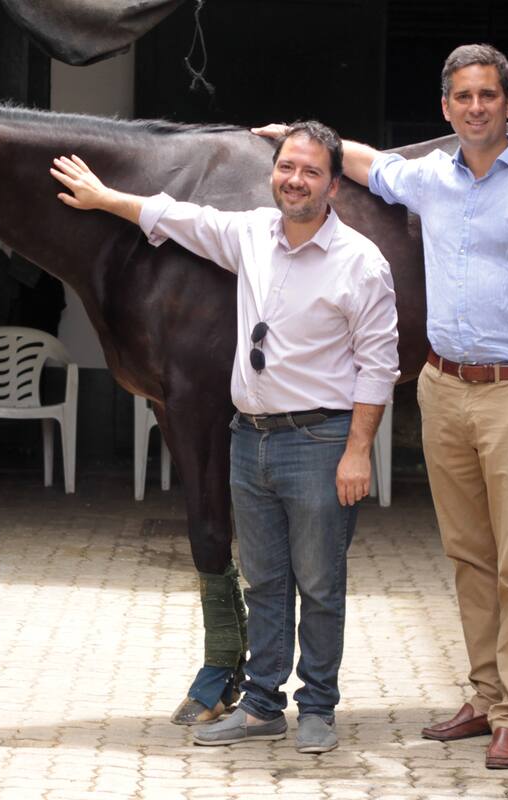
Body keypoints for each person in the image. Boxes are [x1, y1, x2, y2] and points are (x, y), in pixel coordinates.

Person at [259, 43, 508, 768]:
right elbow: (365, 162)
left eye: (487, 95)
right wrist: (297, 141)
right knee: (469, 555)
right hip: (443, 389)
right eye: (462, 97)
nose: (475, 107)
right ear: (445, 109)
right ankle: (483, 697)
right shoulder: (430, 178)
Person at [50, 121, 399, 753]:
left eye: (311, 171)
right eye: (287, 167)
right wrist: (105, 199)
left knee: (320, 586)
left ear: (333, 185)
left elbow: (379, 365)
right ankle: (263, 705)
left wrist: (357, 451)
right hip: (251, 440)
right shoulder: (252, 234)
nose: (295, 180)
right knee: (263, 581)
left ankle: (317, 707)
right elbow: (175, 216)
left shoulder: (360, 262)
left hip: (320, 442)